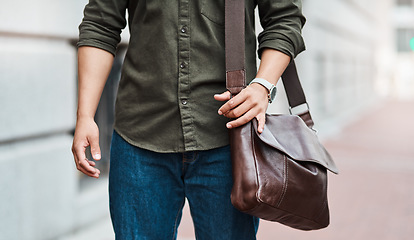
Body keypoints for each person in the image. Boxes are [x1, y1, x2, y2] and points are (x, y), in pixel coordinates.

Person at [71, 0, 305, 239]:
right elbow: (100, 24)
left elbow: (284, 18)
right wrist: (85, 116)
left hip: (228, 140)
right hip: (139, 135)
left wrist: (263, 85)